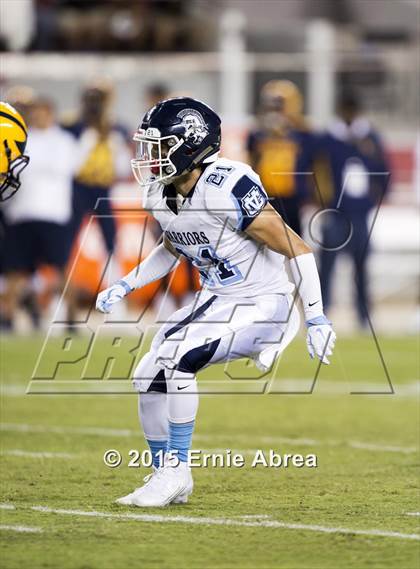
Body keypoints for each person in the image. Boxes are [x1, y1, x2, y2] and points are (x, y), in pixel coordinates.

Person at [96, 97, 336, 507]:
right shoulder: (162, 193)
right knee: (147, 374)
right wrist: (127, 283)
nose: (149, 157)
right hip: (219, 300)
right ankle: (166, 473)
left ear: (190, 146)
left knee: (179, 358)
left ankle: (176, 470)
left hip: (264, 303)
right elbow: (174, 244)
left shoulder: (226, 186)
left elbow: (296, 247)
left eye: (160, 147)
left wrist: (315, 316)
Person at [1, 97, 76, 330]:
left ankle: (72, 319)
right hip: (22, 213)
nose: (37, 117)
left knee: (62, 268)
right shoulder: (23, 137)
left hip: (53, 213)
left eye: (41, 112)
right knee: (15, 269)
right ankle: (7, 318)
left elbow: (58, 168)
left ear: (51, 113)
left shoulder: (64, 141)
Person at [317, 90, 390, 328]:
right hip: (335, 212)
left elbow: (384, 170)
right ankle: (321, 312)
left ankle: (363, 315)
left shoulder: (370, 137)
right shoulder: (328, 138)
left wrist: (375, 199)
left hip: (359, 213)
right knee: (327, 265)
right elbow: (315, 168)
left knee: (361, 265)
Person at [247, 80, 316, 235]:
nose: (275, 110)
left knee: (293, 235)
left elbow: (312, 162)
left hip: (291, 194)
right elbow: (252, 159)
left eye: (278, 105)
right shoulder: (258, 132)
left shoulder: (302, 133)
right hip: (266, 194)